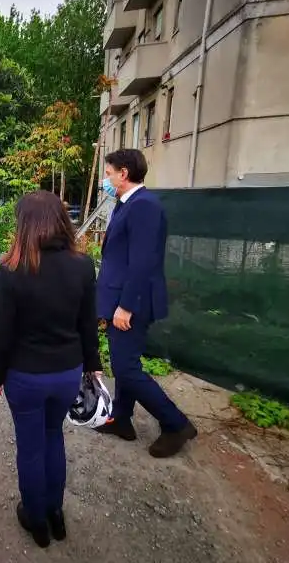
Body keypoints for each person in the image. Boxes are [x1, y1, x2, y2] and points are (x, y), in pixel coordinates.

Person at [0, 191, 101, 549]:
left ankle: (36, 521)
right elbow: (87, 323)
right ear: (62, 220)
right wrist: (93, 365)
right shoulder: (83, 265)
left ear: (25, 224)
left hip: (26, 377)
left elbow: (1, 334)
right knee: (53, 438)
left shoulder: (12, 269)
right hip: (67, 373)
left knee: (31, 448)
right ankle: (56, 515)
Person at [96, 149, 196, 458]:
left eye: (109, 173)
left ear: (123, 174)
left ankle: (176, 423)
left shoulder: (144, 207)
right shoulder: (130, 204)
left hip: (131, 303)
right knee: (125, 365)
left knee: (126, 368)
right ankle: (122, 420)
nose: (107, 179)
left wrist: (126, 306)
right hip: (123, 298)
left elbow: (142, 262)